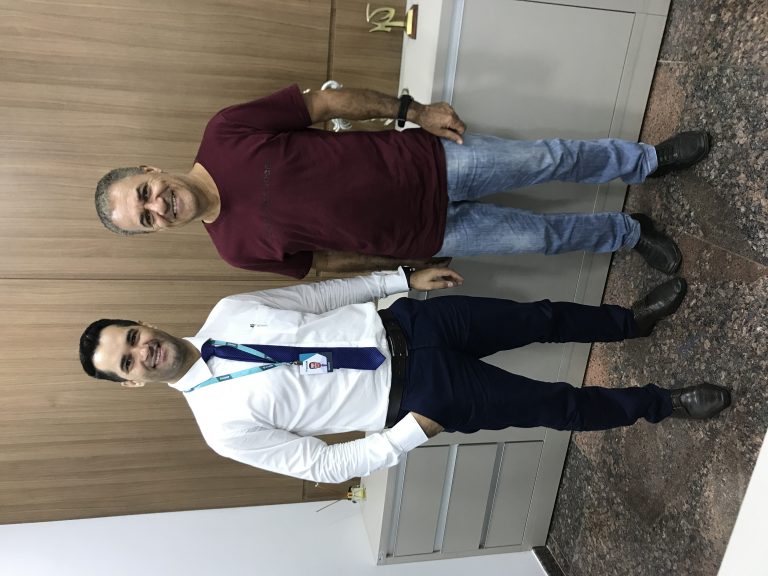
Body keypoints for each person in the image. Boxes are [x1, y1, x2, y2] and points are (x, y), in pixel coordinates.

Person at [79, 267, 731, 483]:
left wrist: (399, 278)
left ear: (143, 324)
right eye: (127, 362)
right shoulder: (220, 429)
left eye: (131, 337)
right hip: (418, 397)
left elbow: (318, 297)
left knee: (539, 316)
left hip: (414, 325)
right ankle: (663, 403)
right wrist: (409, 434)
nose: (143, 351)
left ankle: (632, 323)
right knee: (555, 407)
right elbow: (322, 465)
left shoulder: (229, 312)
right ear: (132, 382)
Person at [94, 85, 711, 278]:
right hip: (427, 236)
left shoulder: (225, 131)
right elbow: (326, 263)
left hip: (428, 161)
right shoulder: (234, 250)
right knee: (541, 239)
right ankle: (630, 232)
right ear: (156, 232)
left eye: (144, 193)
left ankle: (648, 162)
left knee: (550, 159)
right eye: (146, 219)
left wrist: (412, 112)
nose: (158, 206)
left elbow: (322, 103)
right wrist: (402, 270)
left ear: (150, 171)